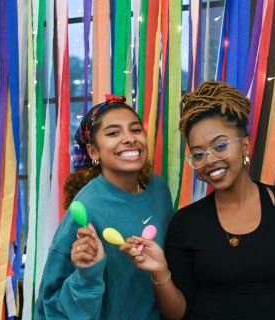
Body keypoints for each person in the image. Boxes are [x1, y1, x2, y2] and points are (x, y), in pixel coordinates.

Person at [121, 80, 275, 319]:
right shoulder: (186, 224)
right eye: (198, 154)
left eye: (220, 146)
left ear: (246, 146)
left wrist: (266, 307)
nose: (209, 160)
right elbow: (178, 313)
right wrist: (159, 271)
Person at [34, 94, 174, 319]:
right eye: (113, 133)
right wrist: (87, 273)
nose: (129, 138)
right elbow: (50, 304)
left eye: (136, 130)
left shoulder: (159, 190)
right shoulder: (85, 207)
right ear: (93, 152)